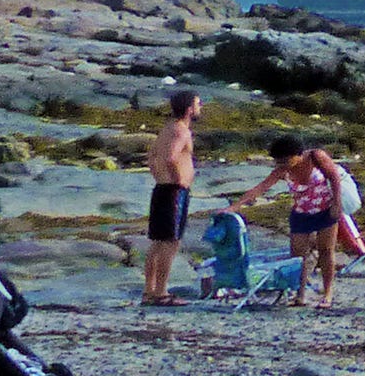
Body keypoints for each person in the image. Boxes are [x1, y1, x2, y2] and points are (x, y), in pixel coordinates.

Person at [225, 136, 349, 306]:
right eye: (279, 162)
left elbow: (334, 177)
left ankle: (327, 293)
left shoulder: (316, 157)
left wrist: (337, 204)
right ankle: (300, 294)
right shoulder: (282, 170)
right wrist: (235, 206)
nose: (282, 164)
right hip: (301, 213)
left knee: (326, 251)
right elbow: (260, 188)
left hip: (325, 210)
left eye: (285, 160)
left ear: (298, 155)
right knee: (298, 256)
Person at [140, 89, 201, 305]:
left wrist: (158, 176)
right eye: (198, 104)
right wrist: (178, 180)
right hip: (174, 191)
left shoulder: (167, 129)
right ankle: (161, 292)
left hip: (162, 188)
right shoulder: (182, 131)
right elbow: (170, 157)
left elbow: (152, 156)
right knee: (170, 242)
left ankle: (149, 290)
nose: (200, 107)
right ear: (189, 109)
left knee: (158, 241)